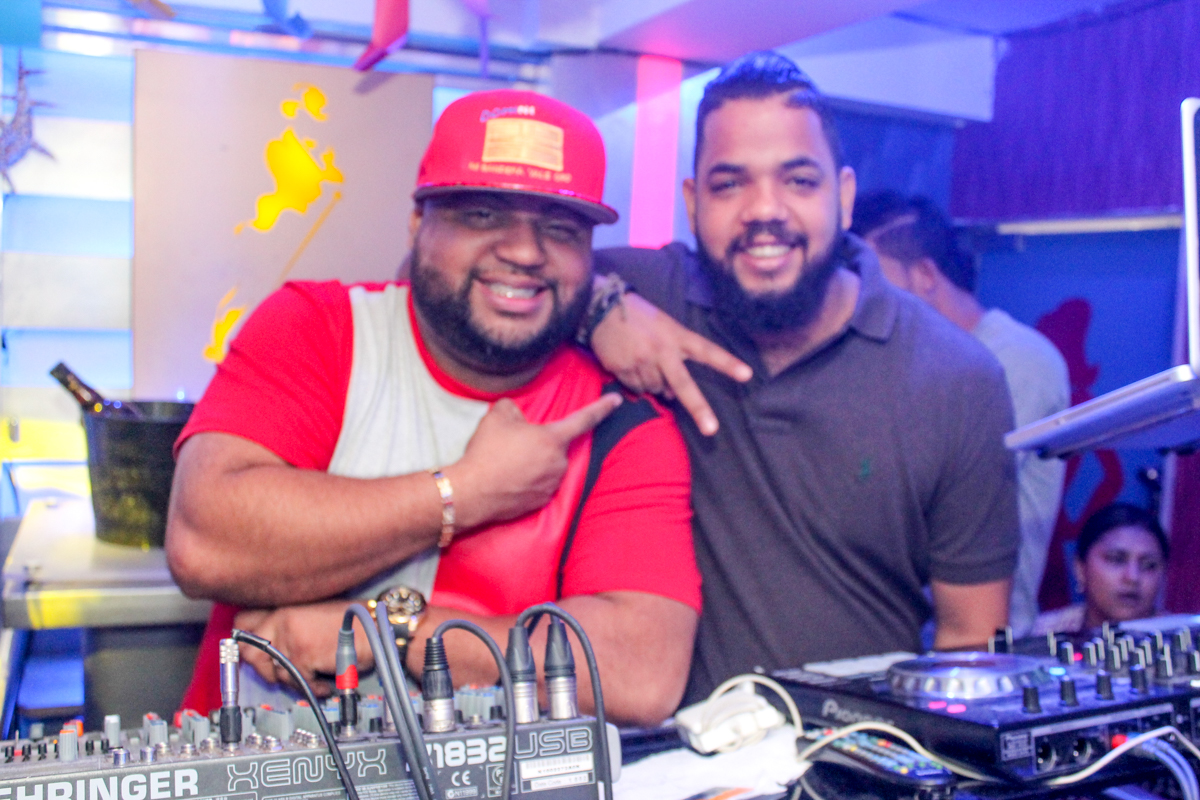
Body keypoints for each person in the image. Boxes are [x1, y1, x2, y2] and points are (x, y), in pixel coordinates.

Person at [165, 89, 701, 726]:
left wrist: (393, 628)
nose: (525, 251)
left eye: (560, 228)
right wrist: (465, 492)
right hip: (251, 765)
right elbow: (203, 541)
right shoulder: (318, 330)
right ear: (419, 223)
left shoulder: (621, 423)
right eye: (482, 215)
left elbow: (642, 673)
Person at [588, 52, 1019, 705]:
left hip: (864, 749)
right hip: (678, 752)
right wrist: (602, 307)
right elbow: (515, 271)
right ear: (693, 203)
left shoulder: (957, 380)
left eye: (798, 180)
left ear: (843, 197)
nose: (765, 210)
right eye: (730, 185)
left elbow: (972, 642)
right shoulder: (661, 295)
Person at [851, 191, 1070, 637]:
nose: (859, 296)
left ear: (925, 275)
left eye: (873, 278)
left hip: (983, 643)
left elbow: (943, 503)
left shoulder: (1017, 358)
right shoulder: (907, 360)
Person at [1033, 503, 1169, 635]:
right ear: (1080, 569)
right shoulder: (1043, 634)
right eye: (1116, 560)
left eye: (1149, 565)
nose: (1133, 577)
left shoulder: (1178, 638)